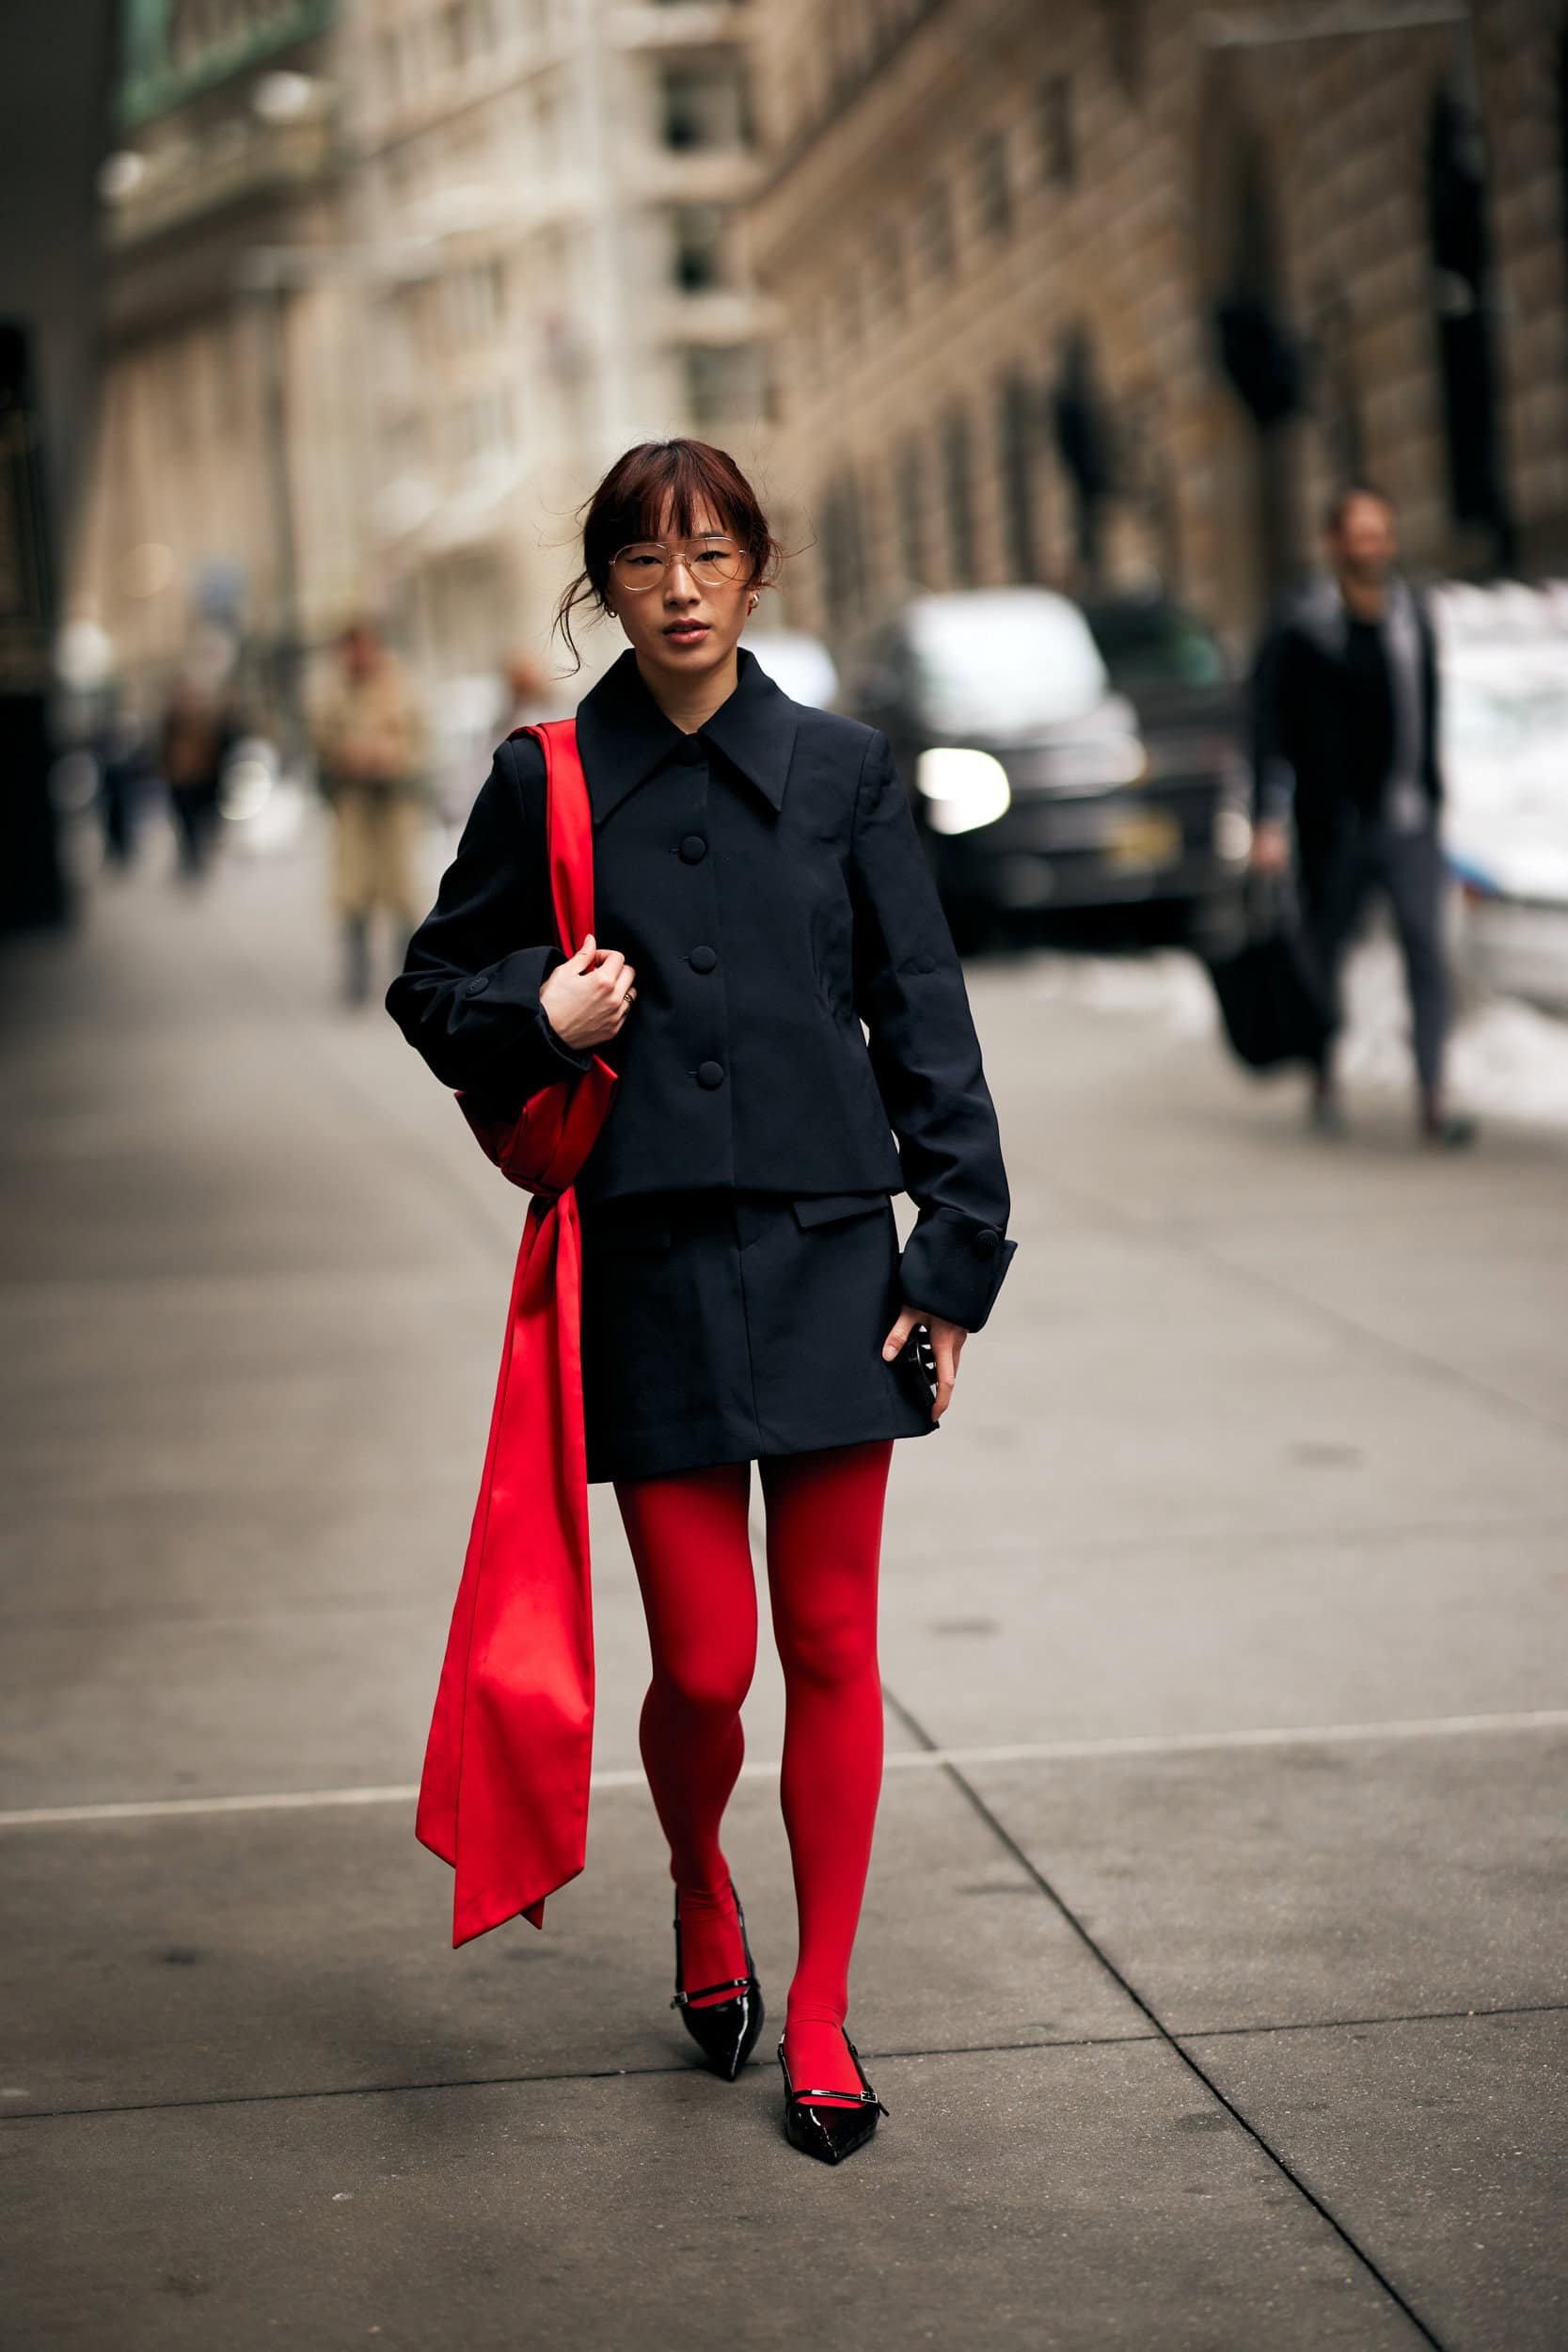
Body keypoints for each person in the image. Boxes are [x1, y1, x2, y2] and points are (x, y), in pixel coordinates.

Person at [387, 437, 1016, 2165]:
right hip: (647, 1267)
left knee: (827, 1645)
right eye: (646, 557)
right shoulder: (548, 780)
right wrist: (544, 1016)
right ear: (602, 584)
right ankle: (693, 1885)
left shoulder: (843, 774)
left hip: (831, 1255)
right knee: (709, 1665)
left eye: (711, 550)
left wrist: (951, 1258)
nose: (679, 584)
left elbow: (926, 1019)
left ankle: (817, 2014)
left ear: (757, 569)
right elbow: (428, 983)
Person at [1250, 484, 1474, 1145]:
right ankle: (1323, 1073)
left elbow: (1424, 711)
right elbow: (1267, 721)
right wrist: (1267, 816)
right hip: (1332, 821)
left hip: (1407, 816)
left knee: (1425, 951)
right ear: (1335, 543)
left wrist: (1432, 794)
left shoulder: (1413, 616)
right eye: (1359, 533)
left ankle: (1433, 1093)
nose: (1372, 546)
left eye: (1381, 533)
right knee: (1325, 951)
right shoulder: (1302, 625)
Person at [313, 619, 431, 1005]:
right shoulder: (331, 690)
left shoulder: (402, 686)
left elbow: (422, 742)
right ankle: (357, 977)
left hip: (396, 804)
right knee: (352, 893)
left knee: (403, 891)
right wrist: (346, 757)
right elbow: (320, 742)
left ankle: (409, 976)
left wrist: (392, 758)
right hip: (354, 806)